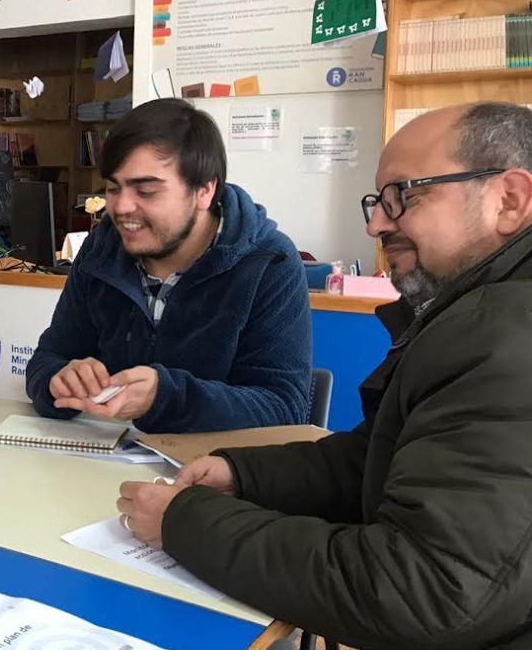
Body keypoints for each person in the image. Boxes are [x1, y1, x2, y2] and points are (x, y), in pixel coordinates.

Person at [118, 102, 532, 649]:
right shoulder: (471, 316)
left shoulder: (503, 335)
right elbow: (376, 462)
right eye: (377, 201)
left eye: (401, 197)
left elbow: (421, 590)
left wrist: (185, 522)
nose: (375, 223)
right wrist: (241, 475)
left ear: (509, 200)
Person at [25, 98, 311, 432]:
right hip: (104, 464)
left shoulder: (269, 263)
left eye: (146, 191)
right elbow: (47, 360)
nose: (121, 207)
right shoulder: (101, 249)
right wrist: (58, 381)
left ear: (204, 191)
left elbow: (284, 408)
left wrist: (165, 397)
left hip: (212, 474)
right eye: (113, 188)